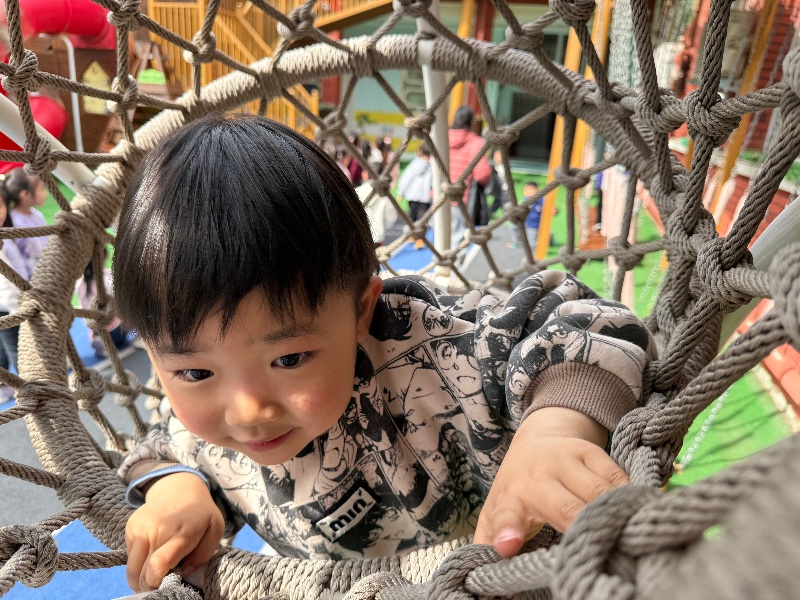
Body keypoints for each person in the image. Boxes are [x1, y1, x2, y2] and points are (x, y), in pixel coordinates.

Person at [114, 114, 655, 593]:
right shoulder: (210, 436)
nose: (247, 411)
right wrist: (177, 489)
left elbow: (581, 320)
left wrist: (554, 432)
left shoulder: (430, 346)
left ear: (361, 312)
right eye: (194, 371)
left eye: (289, 360)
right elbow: (160, 448)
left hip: (507, 577)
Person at [448, 107, 492, 252]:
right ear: (472, 122)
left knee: (441, 234)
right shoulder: (476, 142)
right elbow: (482, 173)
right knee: (458, 237)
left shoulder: (443, 137)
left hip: (439, 193)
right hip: (461, 197)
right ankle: (452, 264)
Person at [0, 189, 30, 393]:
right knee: (18, 351)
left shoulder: (6, 235)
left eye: (1, 205)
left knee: (20, 348)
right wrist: (20, 308)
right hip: (8, 308)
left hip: (16, 301)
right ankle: (25, 387)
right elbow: (5, 284)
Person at [1, 168, 48, 276]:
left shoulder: (37, 215)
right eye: (41, 189)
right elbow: (16, 259)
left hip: (47, 270)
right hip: (31, 277)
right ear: (25, 194)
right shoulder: (14, 222)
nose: (45, 194)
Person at [396, 143, 433, 249]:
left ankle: (412, 235)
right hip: (425, 197)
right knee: (422, 220)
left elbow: (406, 178)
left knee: (412, 217)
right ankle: (420, 239)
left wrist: (401, 192)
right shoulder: (432, 165)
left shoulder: (415, 164)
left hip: (413, 195)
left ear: (420, 151)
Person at [356, 166, 398, 247]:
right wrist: (382, 227)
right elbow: (391, 218)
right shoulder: (385, 196)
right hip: (377, 237)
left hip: (359, 235)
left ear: (365, 174)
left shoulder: (357, 192)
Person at [507, 181, 544, 250]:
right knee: (512, 224)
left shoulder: (542, 201)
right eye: (526, 191)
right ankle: (517, 241)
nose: (528, 193)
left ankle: (549, 237)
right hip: (525, 223)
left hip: (534, 226)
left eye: (530, 190)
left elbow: (552, 210)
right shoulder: (525, 200)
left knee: (533, 246)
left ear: (538, 190)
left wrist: (554, 210)